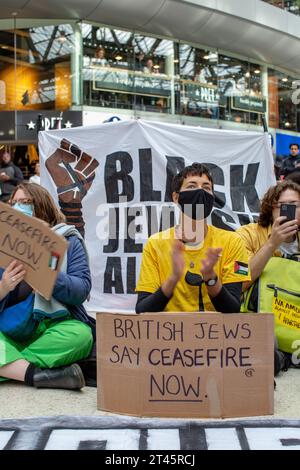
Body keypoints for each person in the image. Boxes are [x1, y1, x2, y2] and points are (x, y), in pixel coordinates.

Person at [0, 182, 95, 390]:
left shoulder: (68, 241)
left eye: (26, 202)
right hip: (10, 330)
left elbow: (81, 290)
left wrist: (47, 275)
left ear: (42, 205)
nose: (18, 207)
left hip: (55, 328)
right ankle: (38, 374)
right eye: (13, 203)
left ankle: (12, 367)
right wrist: (4, 286)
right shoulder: (4, 245)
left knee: (81, 336)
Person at [136, 163, 251, 314]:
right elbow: (142, 309)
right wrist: (173, 279)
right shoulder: (155, 243)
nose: (200, 192)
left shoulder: (232, 241)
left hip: (216, 334)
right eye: (191, 186)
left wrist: (211, 279)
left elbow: (232, 308)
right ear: (176, 197)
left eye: (206, 187)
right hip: (170, 334)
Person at [237, 180, 300, 291]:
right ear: (271, 209)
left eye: (294, 205)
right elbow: (239, 283)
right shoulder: (246, 234)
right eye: (282, 206)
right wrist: (272, 244)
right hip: (257, 307)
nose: (289, 211)